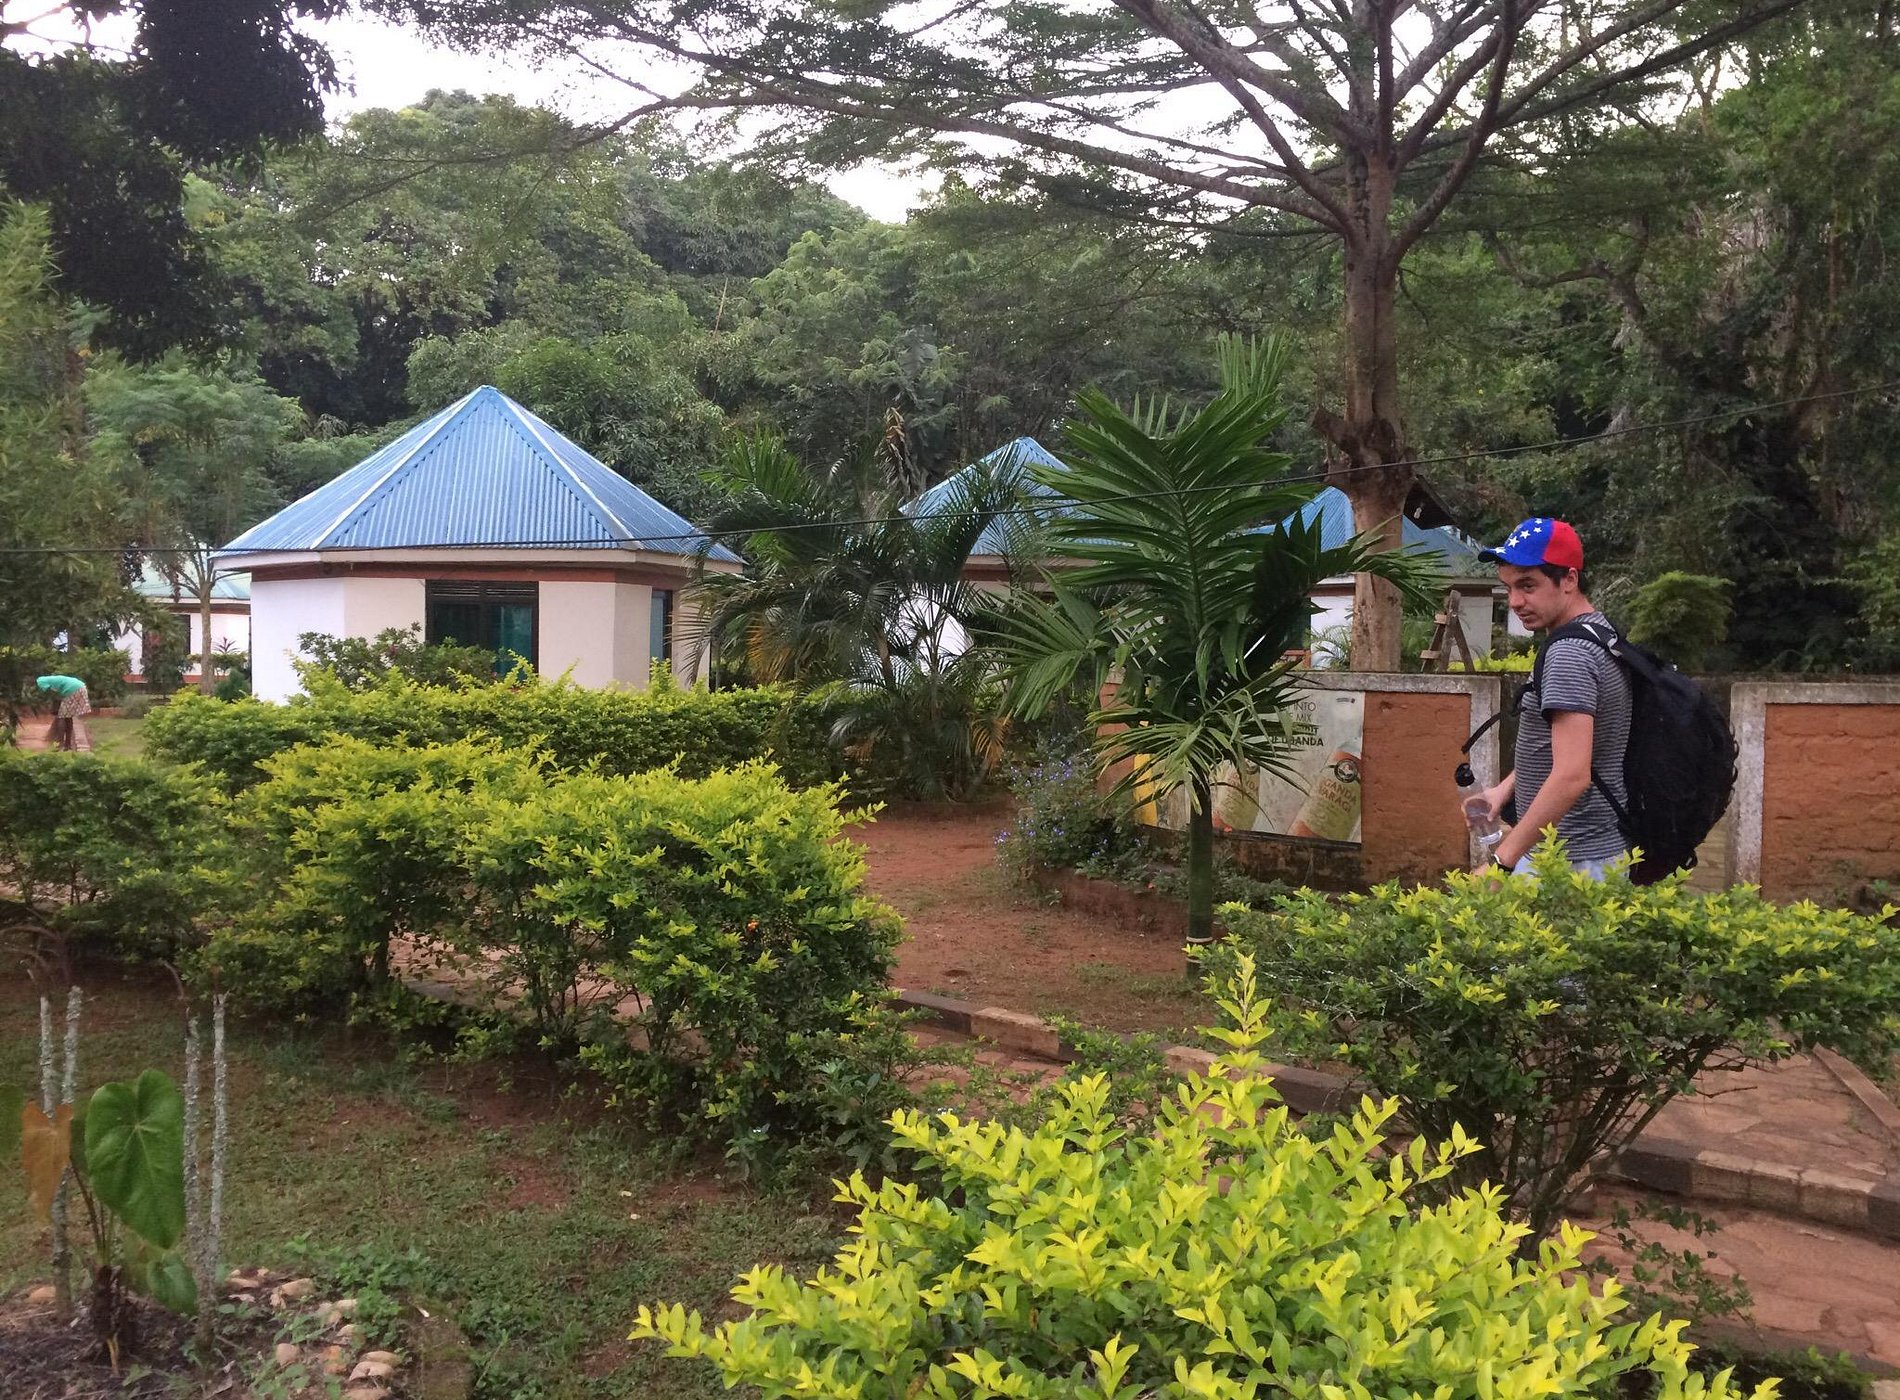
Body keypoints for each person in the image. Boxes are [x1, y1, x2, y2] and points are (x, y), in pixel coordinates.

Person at [1467, 518, 1632, 878]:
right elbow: (1568, 749)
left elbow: (1572, 775)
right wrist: (1505, 790)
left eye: (1528, 586)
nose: (1515, 601)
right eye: (1508, 588)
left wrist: (1501, 862)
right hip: (1592, 849)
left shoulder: (1569, 653)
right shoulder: (1601, 632)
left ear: (1569, 579)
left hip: (1570, 858)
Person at [36, 673, 91, 752]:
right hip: (80, 687)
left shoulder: (41, 681)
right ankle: (67, 744)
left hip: (72, 690)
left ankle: (59, 744)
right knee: (68, 716)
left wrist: (53, 707)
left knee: (62, 717)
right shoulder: (51, 679)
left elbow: (53, 694)